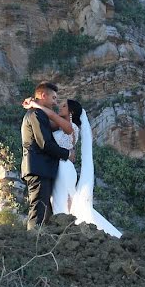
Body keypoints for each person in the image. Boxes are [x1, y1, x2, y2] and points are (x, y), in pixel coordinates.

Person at [23, 97, 123, 237]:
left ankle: (67, 230)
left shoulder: (71, 127)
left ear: (71, 112)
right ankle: (66, 229)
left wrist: (35, 104)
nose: (59, 107)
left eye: (63, 106)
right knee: (60, 199)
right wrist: (36, 103)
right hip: (58, 167)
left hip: (64, 168)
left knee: (64, 199)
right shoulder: (59, 125)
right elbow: (44, 121)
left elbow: (50, 115)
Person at [20, 82, 72, 230]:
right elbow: (44, 143)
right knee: (38, 212)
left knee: (44, 212)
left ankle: (40, 243)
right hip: (38, 168)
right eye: (54, 98)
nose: (56, 102)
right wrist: (67, 153)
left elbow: (59, 126)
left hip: (41, 168)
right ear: (43, 95)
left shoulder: (38, 113)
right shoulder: (36, 114)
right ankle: (33, 244)